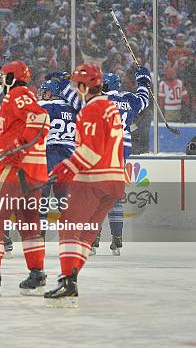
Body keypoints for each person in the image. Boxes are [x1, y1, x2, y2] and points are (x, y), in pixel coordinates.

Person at [44, 63, 125, 308]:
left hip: (93, 179)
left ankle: (68, 283)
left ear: (82, 86)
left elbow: (91, 150)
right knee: (86, 233)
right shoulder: (110, 107)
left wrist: (66, 168)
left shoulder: (92, 109)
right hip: (115, 182)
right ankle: (71, 280)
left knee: (69, 228)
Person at [0, 60, 50, 297]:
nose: (1, 81)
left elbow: (41, 120)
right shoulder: (23, 96)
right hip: (33, 175)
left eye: (3, 76)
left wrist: (15, 148)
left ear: (11, 77)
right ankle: (37, 273)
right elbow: (13, 134)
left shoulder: (17, 94)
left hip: (15, 171)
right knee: (29, 225)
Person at [61, 68, 151, 255]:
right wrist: (143, 81)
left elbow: (76, 101)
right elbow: (144, 99)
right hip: (124, 147)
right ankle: (117, 240)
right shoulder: (128, 99)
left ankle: (93, 241)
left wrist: (63, 83)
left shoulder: (101, 100)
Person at [37, 73, 77, 238]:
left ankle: (39, 235)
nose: (43, 95)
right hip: (70, 159)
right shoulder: (75, 108)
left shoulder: (46, 107)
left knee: (42, 199)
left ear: (51, 93)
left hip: (49, 156)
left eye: (45, 92)